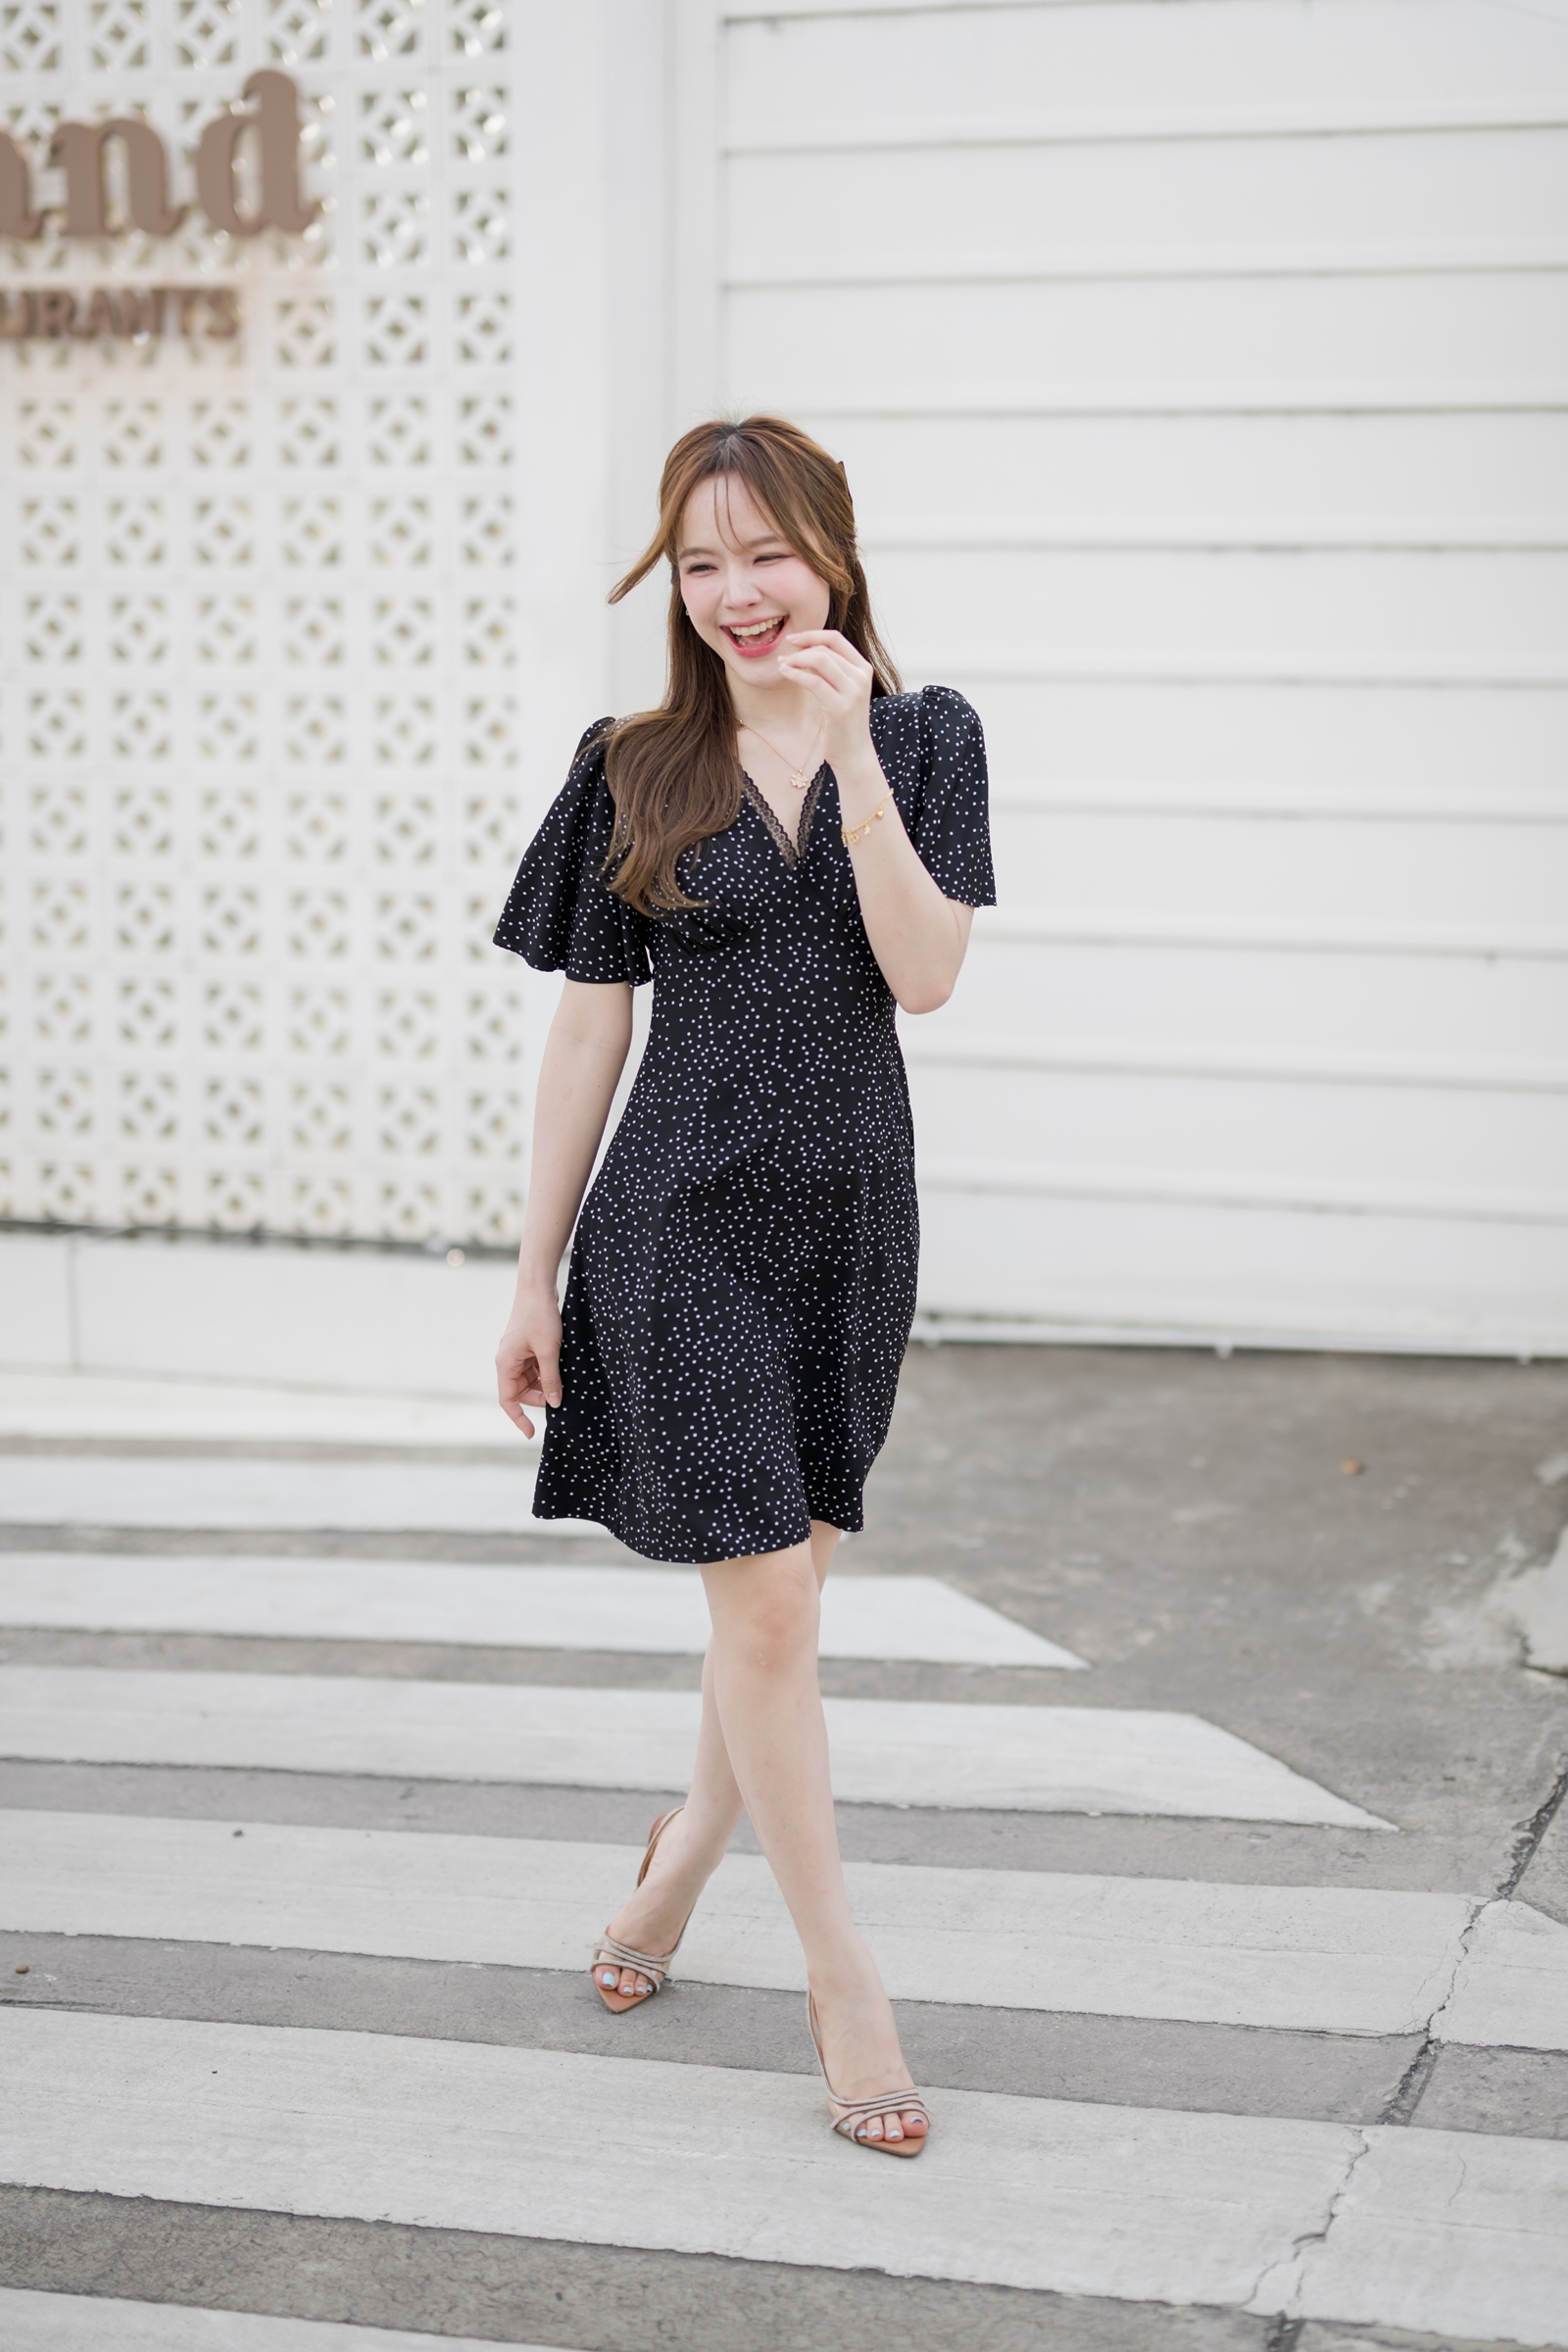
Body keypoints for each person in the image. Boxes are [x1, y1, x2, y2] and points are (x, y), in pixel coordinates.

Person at [493, 415, 994, 2156]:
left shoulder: (927, 736)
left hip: (849, 1226)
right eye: (701, 563)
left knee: (771, 1609)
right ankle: (845, 1984)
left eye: (764, 554)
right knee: (770, 1611)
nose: (736, 593)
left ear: (832, 553)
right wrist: (534, 1272)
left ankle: (680, 1859)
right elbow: (587, 1031)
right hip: (675, 1227)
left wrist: (851, 757)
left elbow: (925, 976)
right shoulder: (633, 765)